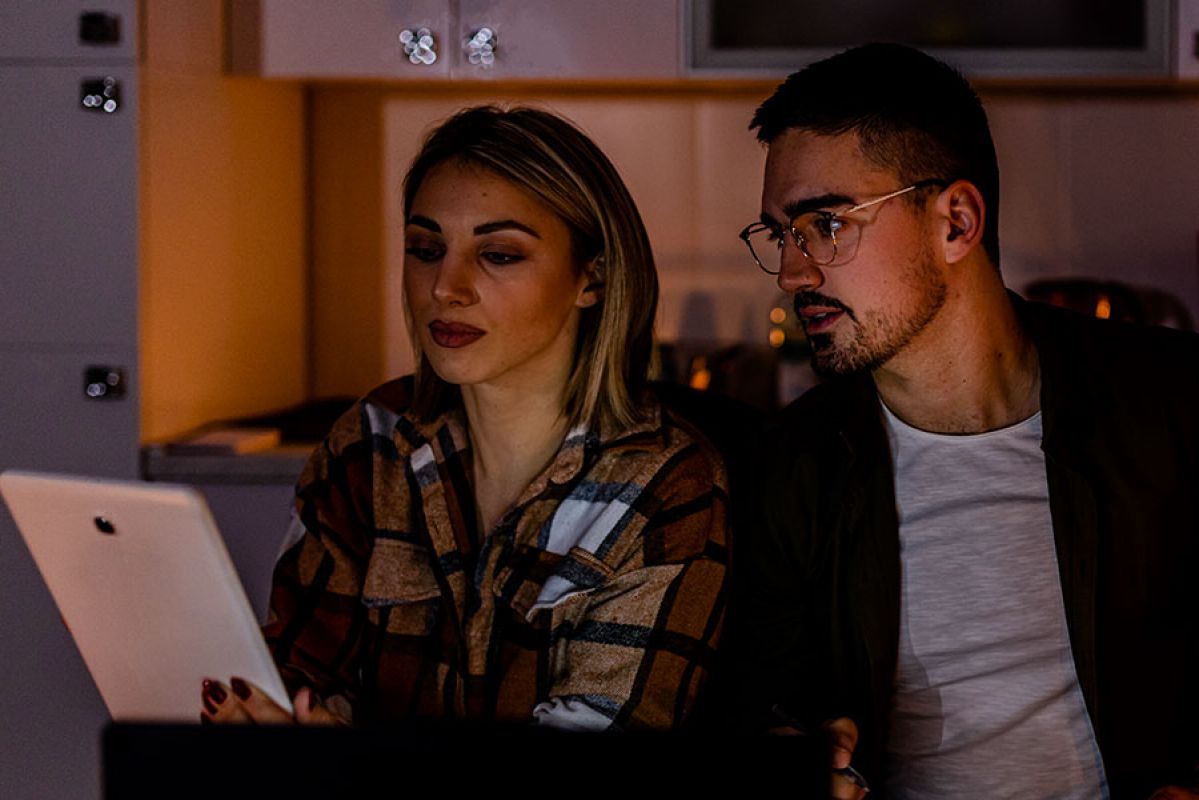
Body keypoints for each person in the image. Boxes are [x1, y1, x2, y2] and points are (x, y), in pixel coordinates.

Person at [733, 43, 1198, 799]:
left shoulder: (1172, 406)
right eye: (780, 235)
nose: (793, 273)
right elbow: (767, 703)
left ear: (955, 220)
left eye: (824, 225)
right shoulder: (792, 467)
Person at [200, 105, 729, 732]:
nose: (446, 287)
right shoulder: (369, 445)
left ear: (595, 277)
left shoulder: (667, 488)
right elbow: (304, 677)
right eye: (426, 248)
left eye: (499, 254)